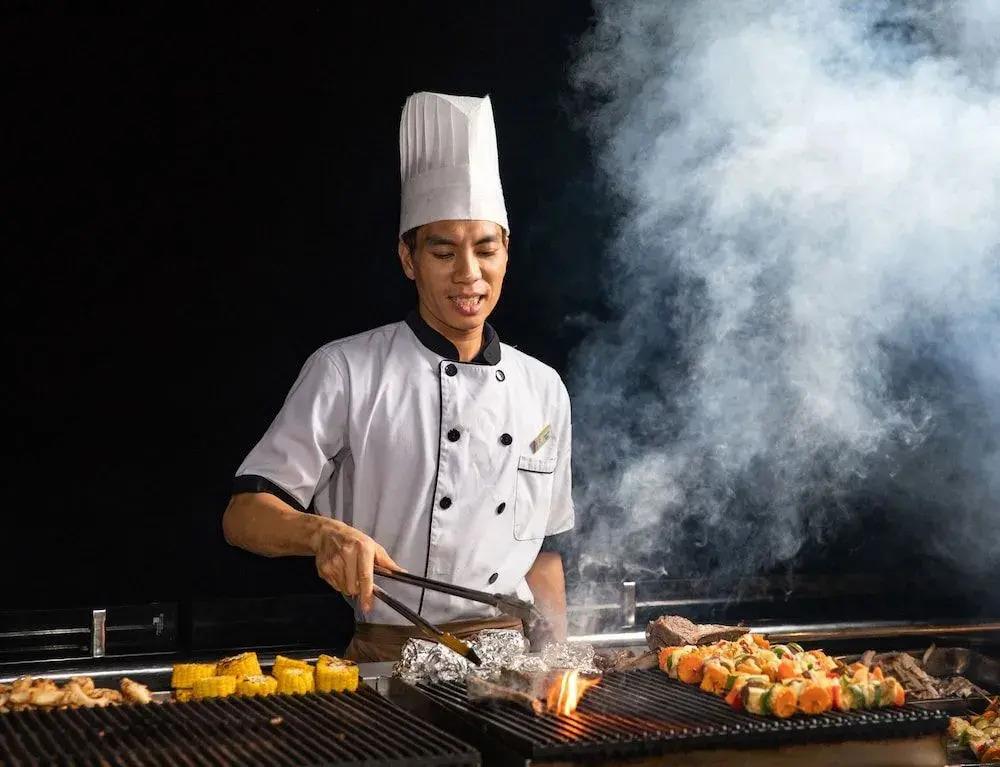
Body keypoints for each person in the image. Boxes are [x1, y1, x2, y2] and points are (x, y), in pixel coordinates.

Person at [222, 91, 574, 662]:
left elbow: (544, 554)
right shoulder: (346, 371)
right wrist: (322, 533)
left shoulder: (544, 388)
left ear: (507, 252)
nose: (469, 275)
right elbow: (242, 517)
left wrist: (557, 665)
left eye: (486, 250)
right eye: (443, 253)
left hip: (513, 668)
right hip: (388, 665)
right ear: (409, 259)